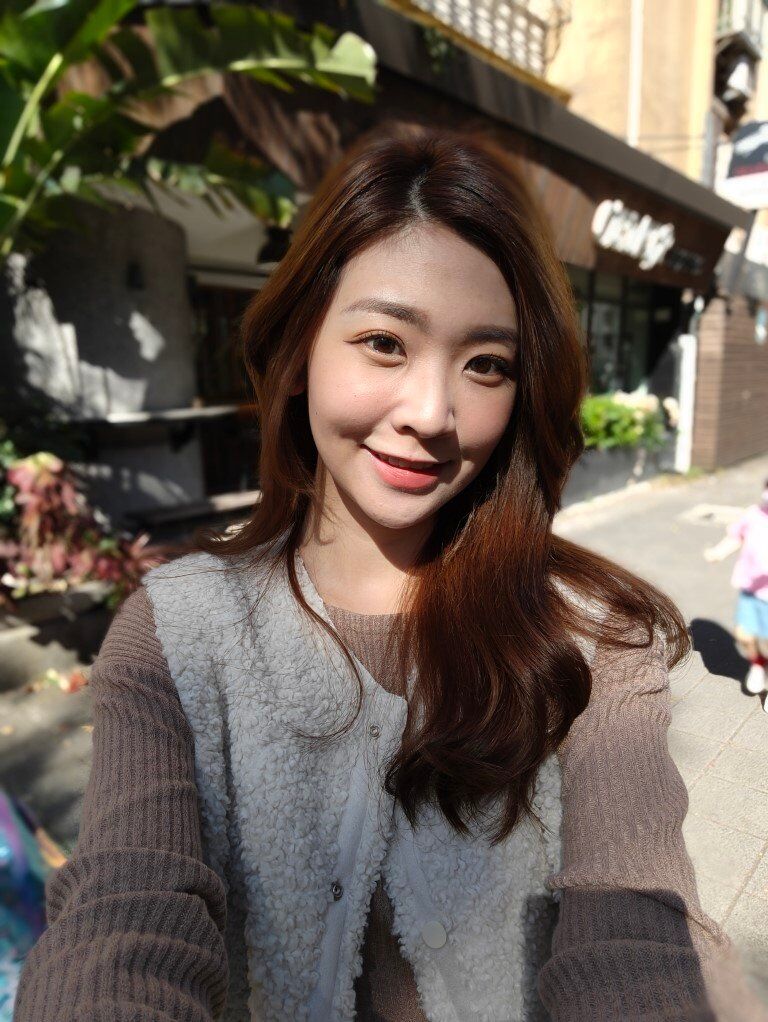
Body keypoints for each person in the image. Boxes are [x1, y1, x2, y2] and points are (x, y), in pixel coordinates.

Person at [14, 123, 767, 1022]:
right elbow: (128, 915)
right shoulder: (177, 633)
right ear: (299, 351)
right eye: (384, 342)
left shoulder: (592, 636)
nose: (432, 412)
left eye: (486, 364)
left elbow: (631, 919)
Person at [704, 477, 768, 707]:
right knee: (744, 635)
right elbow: (736, 536)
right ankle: (758, 665)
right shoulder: (753, 514)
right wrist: (719, 552)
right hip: (750, 590)